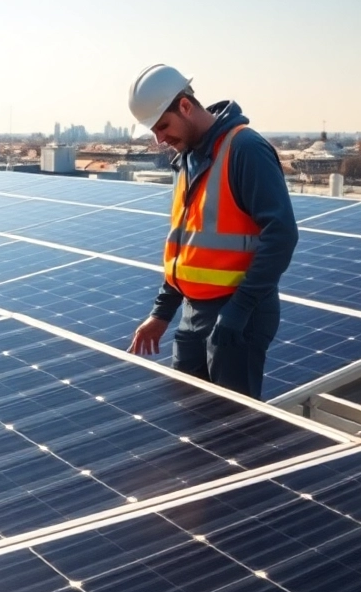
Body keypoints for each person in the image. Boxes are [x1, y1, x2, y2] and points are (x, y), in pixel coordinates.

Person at [125, 64, 298, 399]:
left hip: (239, 314)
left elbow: (282, 235)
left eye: (163, 126)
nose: (160, 139)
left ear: (186, 106)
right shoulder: (186, 158)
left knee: (231, 429)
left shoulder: (245, 149)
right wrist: (162, 313)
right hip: (194, 312)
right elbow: (187, 247)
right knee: (191, 415)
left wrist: (238, 310)